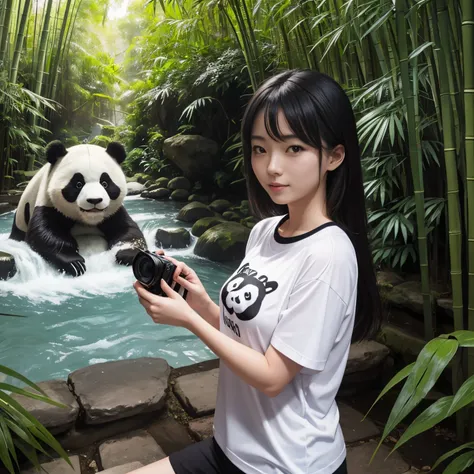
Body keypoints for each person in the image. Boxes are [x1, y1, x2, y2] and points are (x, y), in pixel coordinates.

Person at [130, 69, 382, 474]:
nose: (271, 167)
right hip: (231, 448)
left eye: (294, 148)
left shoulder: (329, 255)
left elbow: (272, 376)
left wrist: (190, 323)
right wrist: (202, 305)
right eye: (260, 149)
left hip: (289, 464)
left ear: (334, 156)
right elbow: (249, 335)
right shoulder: (266, 231)